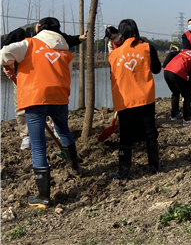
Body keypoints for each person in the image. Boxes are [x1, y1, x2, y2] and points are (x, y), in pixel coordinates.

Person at [1, 17, 82, 208]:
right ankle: (76, 168)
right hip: (60, 97)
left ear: (38, 28)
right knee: (64, 132)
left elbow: (4, 52)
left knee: (38, 146)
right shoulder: (64, 49)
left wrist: (10, 66)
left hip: (35, 99)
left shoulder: (29, 44)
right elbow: (67, 73)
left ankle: (43, 197)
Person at [1, 21, 89, 151]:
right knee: (22, 106)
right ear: (38, 27)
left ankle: (55, 130)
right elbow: (4, 51)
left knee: (53, 106)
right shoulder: (22, 34)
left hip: (49, 77)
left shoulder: (55, 36)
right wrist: (9, 66)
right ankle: (26, 135)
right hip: (26, 77)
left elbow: (67, 39)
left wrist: (79, 38)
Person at [109, 19, 162, 180]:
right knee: (150, 131)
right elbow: (157, 69)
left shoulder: (114, 53)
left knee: (125, 135)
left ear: (121, 33)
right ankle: (154, 166)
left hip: (124, 99)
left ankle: (123, 171)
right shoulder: (147, 47)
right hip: (144, 96)